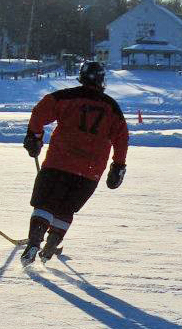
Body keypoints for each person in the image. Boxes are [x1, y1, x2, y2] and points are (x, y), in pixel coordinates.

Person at [20, 61, 128, 265]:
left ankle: (34, 242)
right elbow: (121, 138)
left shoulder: (65, 97)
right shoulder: (112, 107)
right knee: (66, 208)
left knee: (45, 203)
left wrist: (34, 136)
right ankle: (52, 243)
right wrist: (118, 166)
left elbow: (39, 112)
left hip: (58, 164)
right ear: (102, 81)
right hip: (89, 172)